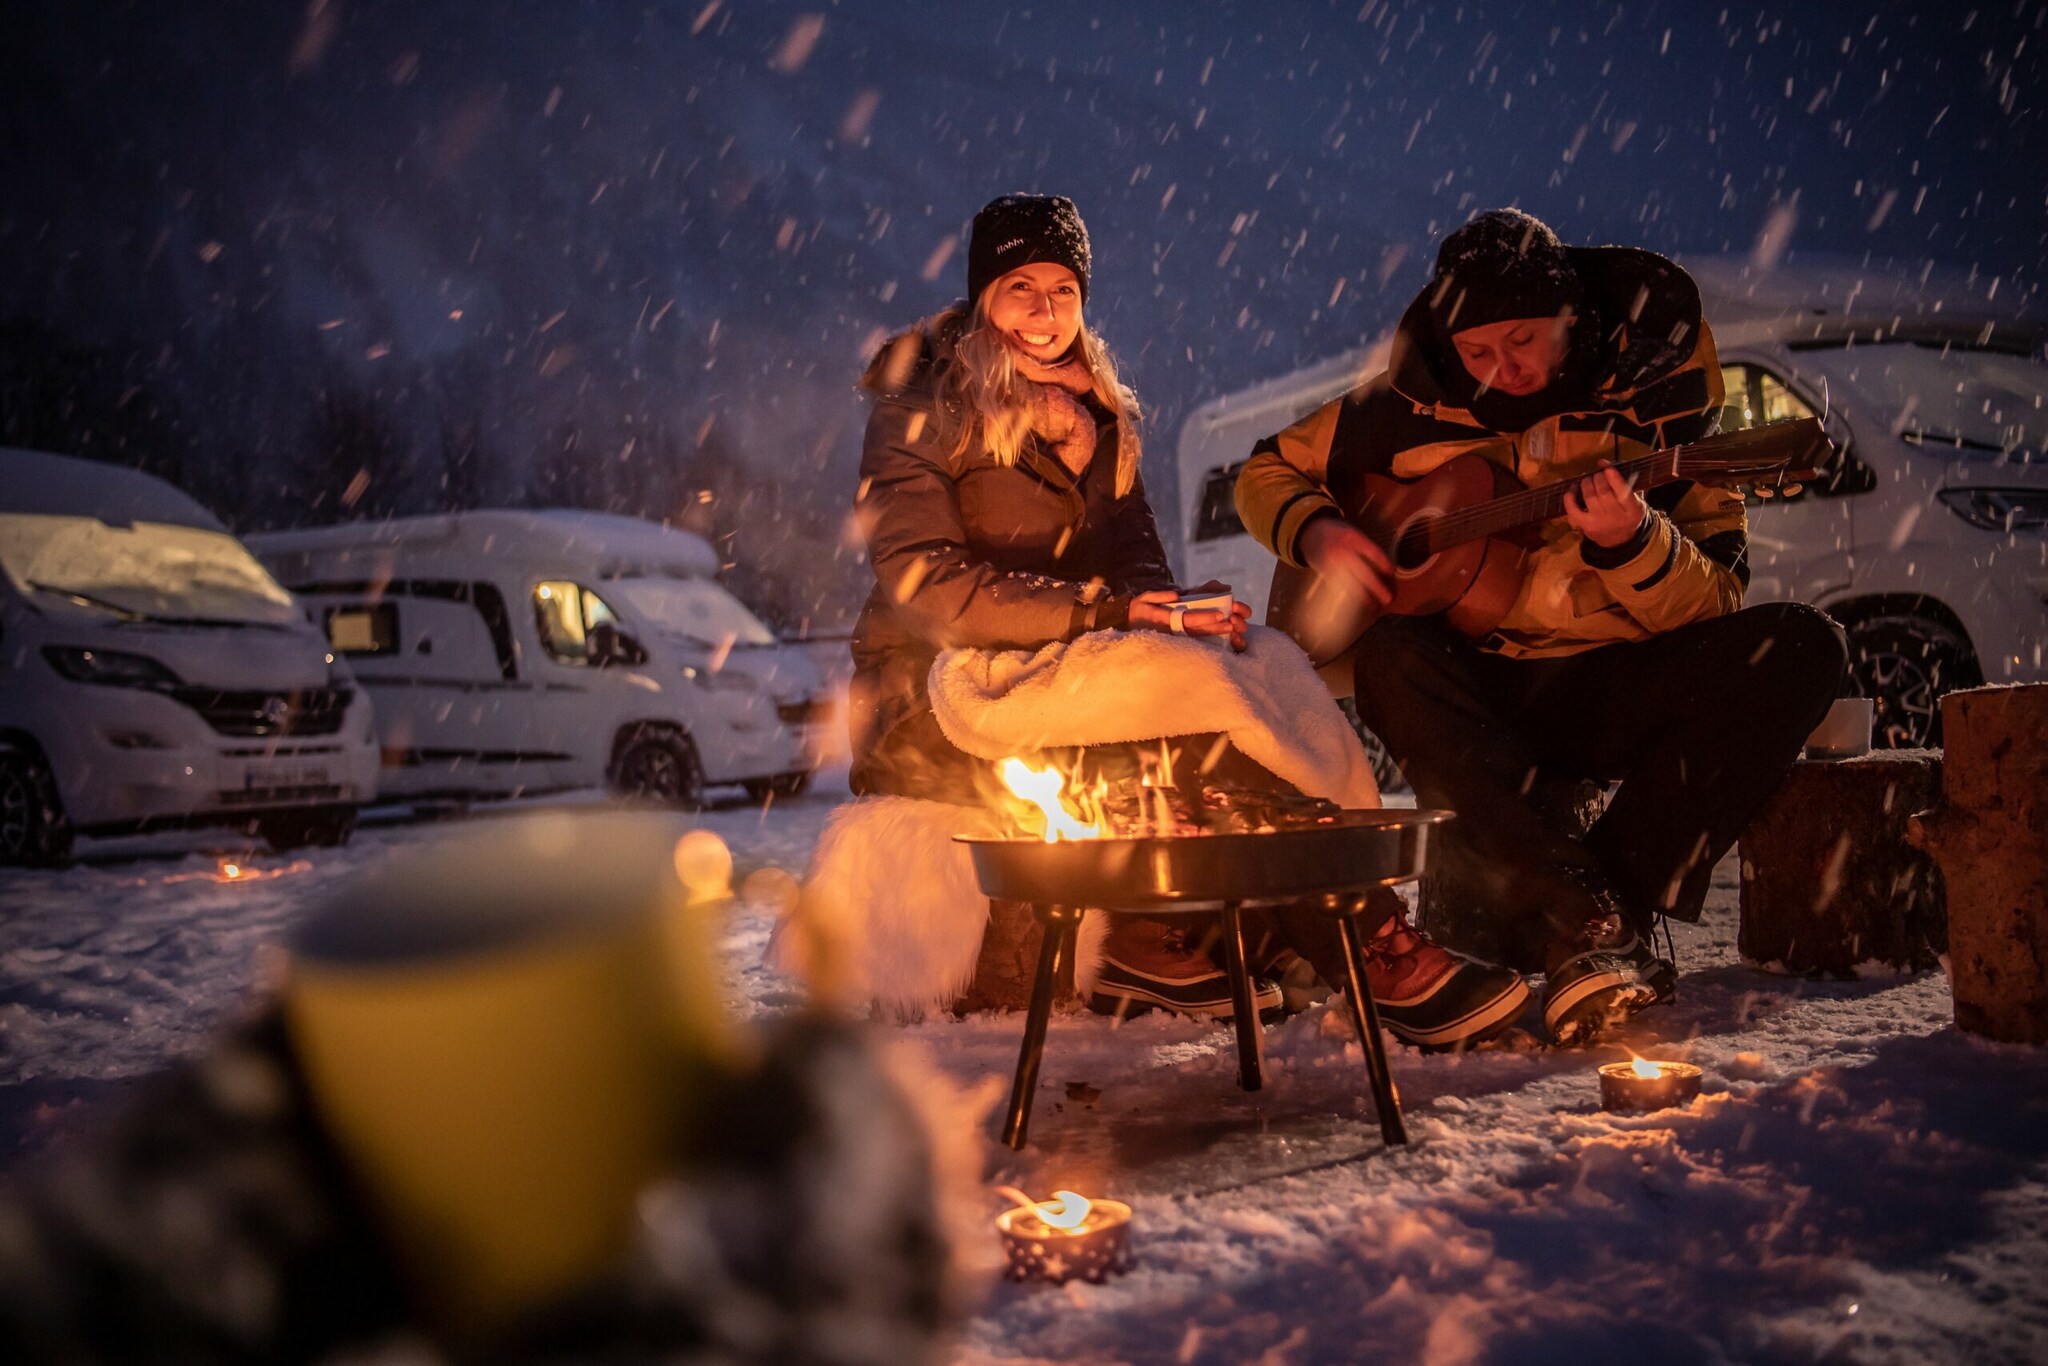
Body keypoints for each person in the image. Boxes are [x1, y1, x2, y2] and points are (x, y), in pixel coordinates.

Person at [849, 193, 1527, 1045]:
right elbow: (926, 586)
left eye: (1064, 289)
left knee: (1248, 672)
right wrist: (1108, 612)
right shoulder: (925, 407)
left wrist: (1174, 616)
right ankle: (1361, 947)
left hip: (1056, 664)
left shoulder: (1095, 414)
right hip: (927, 690)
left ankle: (1287, 936)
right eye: (1021, 286)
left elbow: (1136, 559)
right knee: (1184, 721)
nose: (1046, 310)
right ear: (984, 295)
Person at [1236, 207, 1848, 1044]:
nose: (1501, 370)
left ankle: (1592, 913)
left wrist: (1636, 545)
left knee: (1804, 646)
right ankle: (1589, 927)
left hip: (1614, 682)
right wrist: (1319, 531)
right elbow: (1267, 468)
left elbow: (1718, 600)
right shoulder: (1408, 401)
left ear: (1571, 318)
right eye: (1477, 352)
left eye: (1522, 341)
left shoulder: (1664, 406)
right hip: (1484, 696)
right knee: (1389, 653)